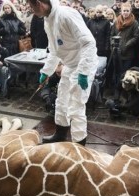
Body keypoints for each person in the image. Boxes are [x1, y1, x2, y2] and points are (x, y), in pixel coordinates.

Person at [27, 0, 98, 145]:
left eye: (31, 5)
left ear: (39, 3)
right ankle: (60, 134)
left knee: (76, 104)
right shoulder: (48, 20)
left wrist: (83, 72)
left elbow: (89, 43)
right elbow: (54, 51)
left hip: (84, 64)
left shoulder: (67, 15)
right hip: (70, 64)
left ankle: (79, 144)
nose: (30, 9)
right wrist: (46, 71)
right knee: (62, 100)